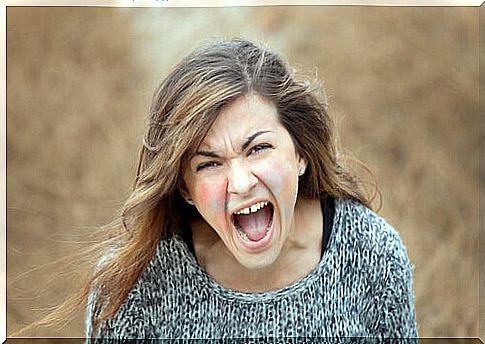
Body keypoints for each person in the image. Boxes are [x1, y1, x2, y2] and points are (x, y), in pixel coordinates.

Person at [85, 38, 417, 340]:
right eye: (209, 164)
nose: (242, 183)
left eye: (257, 149)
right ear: (185, 188)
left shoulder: (373, 254)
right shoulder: (131, 285)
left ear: (300, 153)